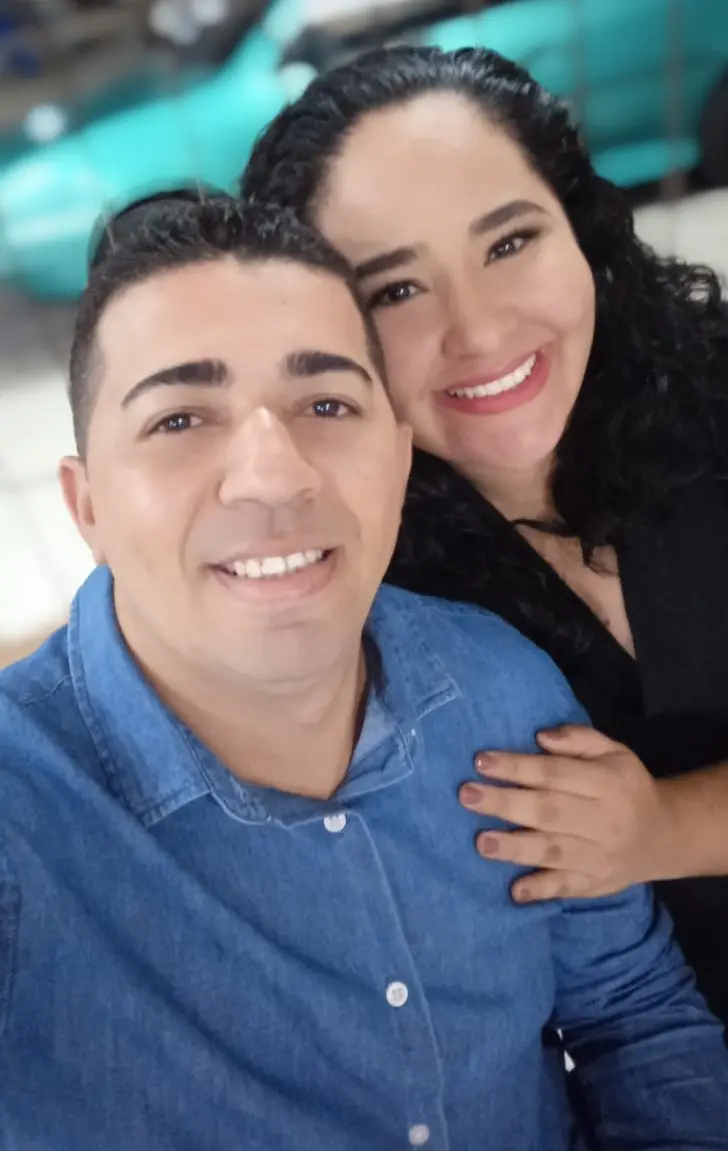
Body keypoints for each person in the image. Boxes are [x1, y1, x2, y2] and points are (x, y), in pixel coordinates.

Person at [2, 196, 728, 1150]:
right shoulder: (22, 811)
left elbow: (632, 1016)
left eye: (327, 405)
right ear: (88, 504)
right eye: (179, 418)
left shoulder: (499, 684)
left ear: (396, 456)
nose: (274, 474)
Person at [241, 44, 728, 1027]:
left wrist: (665, 825)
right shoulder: (352, 588)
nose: (478, 330)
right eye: (394, 290)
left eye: (507, 243)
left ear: (577, 224)